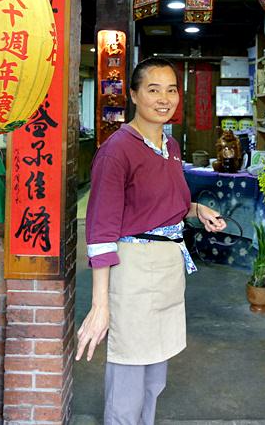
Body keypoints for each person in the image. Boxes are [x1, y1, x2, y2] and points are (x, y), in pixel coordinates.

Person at [76, 57, 227, 425]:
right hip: (134, 273)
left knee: (155, 377)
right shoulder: (117, 151)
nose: (164, 98)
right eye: (153, 89)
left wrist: (195, 209)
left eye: (171, 90)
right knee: (129, 373)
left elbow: (163, 204)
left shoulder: (170, 147)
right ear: (133, 95)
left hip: (167, 271)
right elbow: (100, 232)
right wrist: (101, 306)